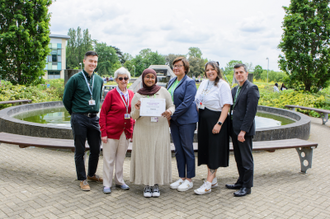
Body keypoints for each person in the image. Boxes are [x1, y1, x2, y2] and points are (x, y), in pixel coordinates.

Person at [130, 68, 175, 198]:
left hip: (160, 129)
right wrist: (138, 109)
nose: (150, 79)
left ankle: (156, 184)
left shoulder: (163, 91)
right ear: (143, 78)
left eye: (152, 77)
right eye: (147, 77)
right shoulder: (138, 95)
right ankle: (146, 184)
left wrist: (169, 112)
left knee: (158, 155)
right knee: (145, 156)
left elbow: (172, 105)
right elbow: (133, 115)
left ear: (156, 78)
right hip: (143, 130)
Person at [63, 51, 104, 191]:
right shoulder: (75, 79)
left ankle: (91, 174)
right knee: (80, 150)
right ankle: (82, 178)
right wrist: (75, 113)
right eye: (90, 61)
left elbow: (98, 97)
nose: (93, 64)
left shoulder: (99, 80)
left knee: (96, 148)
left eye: (95, 62)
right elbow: (66, 99)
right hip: (79, 117)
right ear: (84, 61)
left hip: (93, 118)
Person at [194, 61, 233, 195]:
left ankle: (208, 184)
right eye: (207, 70)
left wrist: (220, 123)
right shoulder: (204, 83)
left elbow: (226, 106)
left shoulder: (223, 85)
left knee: (213, 151)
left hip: (216, 120)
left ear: (217, 70)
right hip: (204, 120)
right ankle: (214, 179)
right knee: (206, 150)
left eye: (212, 69)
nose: (210, 72)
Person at [226, 64, 259, 197]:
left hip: (243, 131)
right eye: (236, 73)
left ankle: (247, 186)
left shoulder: (252, 88)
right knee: (239, 158)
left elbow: (250, 112)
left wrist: (243, 131)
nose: (238, 74)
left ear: (246, 73)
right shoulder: (235, 89)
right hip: (234, 130)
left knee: (246, 160)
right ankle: (241, 181)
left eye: (241, 72)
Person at [99, 67, 134, 194]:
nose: (123, 80)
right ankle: (107, 184)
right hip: (111, 132)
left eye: (126, 78)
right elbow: (102, 113)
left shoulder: (131, 94)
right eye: (121, 78)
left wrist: (132, 129)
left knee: (120, 158)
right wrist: (103, 132)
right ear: (116, 80)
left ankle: (119, 181)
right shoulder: (111, 94)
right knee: (109, 159)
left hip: (125, 132)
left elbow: (133, 113)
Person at [167, 57, 198, 192]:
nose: (176, 68)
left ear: (185, 68)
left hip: (186, 120)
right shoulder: (172, 80)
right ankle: (181, 177)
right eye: (174, 66)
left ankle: (189, 179)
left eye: (179, 66)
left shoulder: (190, 82)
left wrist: (171, 114)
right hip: (174, 121)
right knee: (178, 150)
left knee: (187, 149)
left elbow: (186, 103)